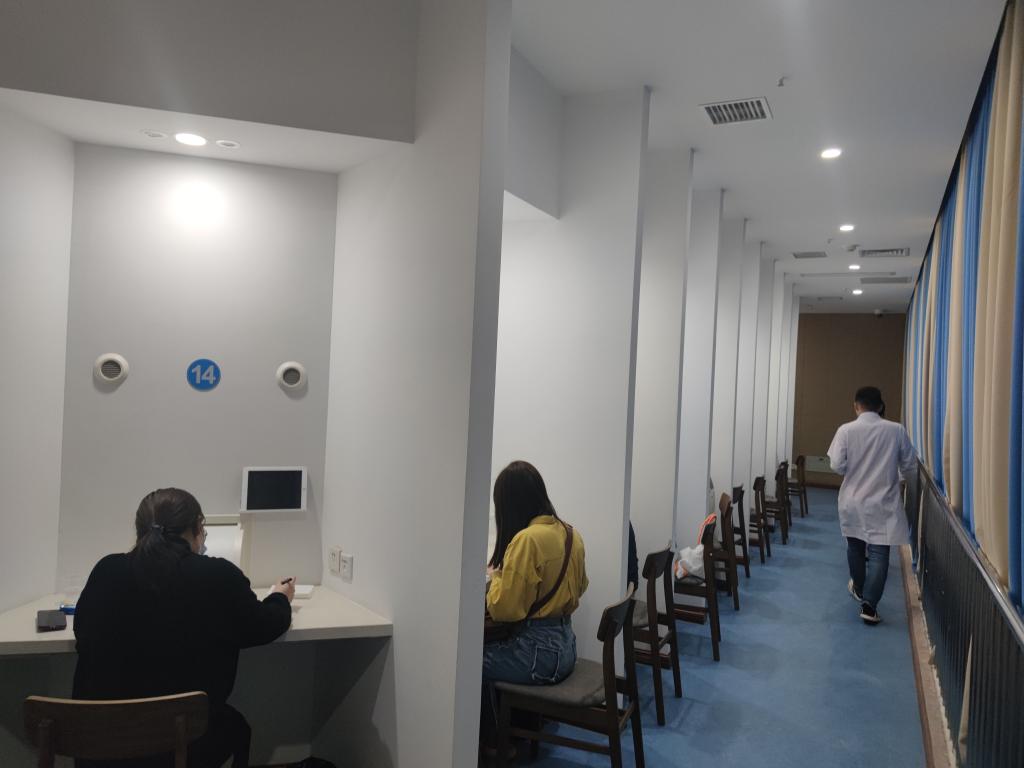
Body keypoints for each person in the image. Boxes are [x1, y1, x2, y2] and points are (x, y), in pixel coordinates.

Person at [72, 488, 295, 767]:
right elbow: (265, 625)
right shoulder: (218, 576)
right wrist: (280, 597)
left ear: (139, 530)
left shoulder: (106, 570)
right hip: (185, 743)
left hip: (101, 745)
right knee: (234, 726)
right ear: (198, 528)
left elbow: (82, 633)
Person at [481, 461, 588, 755]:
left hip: (538, 656)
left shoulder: (527, 540)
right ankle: (514, 731)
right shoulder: (571, 533)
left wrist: (497, 578)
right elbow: (582, 586)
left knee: (470, 662)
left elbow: (504, 610)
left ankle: (495, 745)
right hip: (566, 647)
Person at [827, 386, 916, 625]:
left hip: (852, 501)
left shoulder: (846, 430)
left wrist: (854, 468)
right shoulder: (896, 430)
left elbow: (836, 465)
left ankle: (858, 587)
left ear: (856, 406)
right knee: (879, 553)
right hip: (883, 501)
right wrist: (897, 478)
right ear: (880, 406)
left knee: (855, 547)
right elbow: (909, 465)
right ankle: (870, 605)